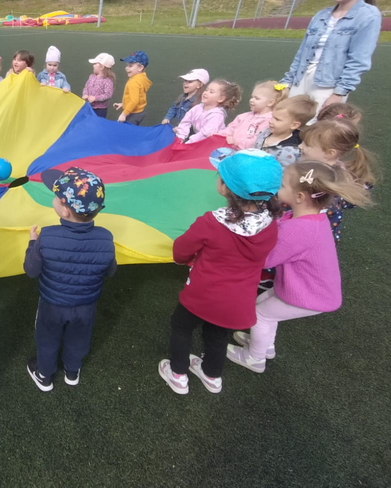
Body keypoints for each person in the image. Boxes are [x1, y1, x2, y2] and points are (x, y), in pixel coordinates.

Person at [226, 161, 371, 373]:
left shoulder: (300, 230)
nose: (278, 187)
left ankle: (254, 358)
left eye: (283, 185)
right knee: (263, 306)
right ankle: (265, 346)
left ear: (300, 197)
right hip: (307, 288)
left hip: (310, 295)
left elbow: (266, 260)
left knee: (261, 315)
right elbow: (282, 226)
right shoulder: (313, 218)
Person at [158, 150, 282, 395]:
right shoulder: (271, 225)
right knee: (217, 334)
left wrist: (187, 259)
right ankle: (212, 376)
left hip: (202, 294)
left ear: (226, 188)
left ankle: (178, 374)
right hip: (237, 301)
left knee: (181, 326)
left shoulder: (212, 222)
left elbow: (181, 250)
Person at [25, 167, 116, 391]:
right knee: (79, 339)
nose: (54, 199)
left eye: (56, 196)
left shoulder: (47, 235)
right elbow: (110, 271)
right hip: (85, 307)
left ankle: (44, 376)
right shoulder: (106, 238)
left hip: (52, 306)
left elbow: (32, 270)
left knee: (47, 339)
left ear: (65, 211)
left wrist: (33, 243)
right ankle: (72, 372)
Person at [281, 0, 381, 113]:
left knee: (318, 126)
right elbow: (302, 53)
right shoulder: (322, 15)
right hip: (301, 78)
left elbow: (358, 60)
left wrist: (339, 93)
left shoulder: (368, 15)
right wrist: (287, 82)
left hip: (328, 85)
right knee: (288, 120)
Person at [299, 119, 376, 244]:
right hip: (325, 238)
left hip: (311, 238)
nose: (300, 146)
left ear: (330, 153)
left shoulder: (321, 182)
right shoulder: (341, 172)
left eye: (307, 144)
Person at [254, 95, 317, 167]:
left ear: (294, 125)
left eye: (277, 119)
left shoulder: (290, 152)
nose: (270, 121)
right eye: (272, 116)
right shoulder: (265, 132)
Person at [221, 81, 287, 150]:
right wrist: (219, 135)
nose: (251, 100)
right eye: (252, 97)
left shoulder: (269, 121)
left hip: (248, 153)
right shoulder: (243, 116)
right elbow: (230, 129)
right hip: (230, 149)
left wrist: (236, 142)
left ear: (270, 103)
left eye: (257, 98)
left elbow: (257, 141)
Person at [174, 79, 241, 144]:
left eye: (211, 92)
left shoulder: (217, 116)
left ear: (220, 99)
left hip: (211, 143)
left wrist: (188, 143)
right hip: (197, 138)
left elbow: (204, 134)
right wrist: (180, 137)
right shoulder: (198, 107)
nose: (206, 93)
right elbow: (186, 121)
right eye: (206, 90)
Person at [114, 51, 152, 125]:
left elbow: (134, 101)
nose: (126, 68)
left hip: (133, 114)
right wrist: (124, 104)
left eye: (130, 66)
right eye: (127, 65)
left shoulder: (134, 82)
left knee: (126, 130)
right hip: (140, 112)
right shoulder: (142, 78)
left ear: (140, 68)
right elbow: (139, 96)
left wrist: (124, 114)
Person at [82, 53, 116, 118]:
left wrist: (95, 98)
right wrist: (85, 94)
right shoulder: (91, 77)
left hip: (100, 110)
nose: (93, 65)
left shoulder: (107, 81)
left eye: (95, 64)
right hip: (89, 106)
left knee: (97, 122)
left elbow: (108, 94)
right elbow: (86, 87)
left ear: (102, 67)